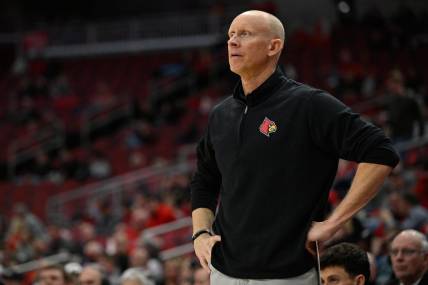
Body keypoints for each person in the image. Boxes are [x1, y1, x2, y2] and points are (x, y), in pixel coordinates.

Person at [190, 9, 400, 284]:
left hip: (289, 273)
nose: (232, 41)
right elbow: (204, 180)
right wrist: (200, 235)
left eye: (244, 34)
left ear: (273, 46)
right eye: (231, 35)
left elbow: (380, 151)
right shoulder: (221, 114)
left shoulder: (309, 104)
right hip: (223, 272)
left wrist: (334, 223)